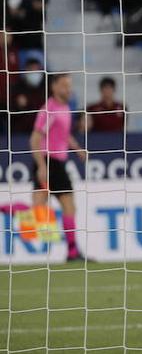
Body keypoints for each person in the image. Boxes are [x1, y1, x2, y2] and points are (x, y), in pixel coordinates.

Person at [31, 73, 89, 262]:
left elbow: (64, 134)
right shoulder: (49, 110)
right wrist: (41, 165)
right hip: (49, 162)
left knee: (64, 206)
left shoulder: (65, 108)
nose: (68, 89)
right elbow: (35, 138)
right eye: (64, 85)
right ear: (54, 87)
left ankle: (72, 252)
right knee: (42, 207)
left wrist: (77, 149)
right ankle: (69, 252)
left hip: (58, 162)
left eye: (70, 85)